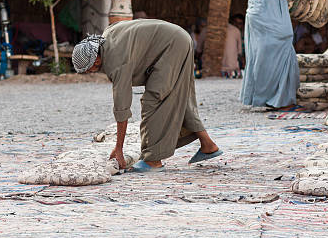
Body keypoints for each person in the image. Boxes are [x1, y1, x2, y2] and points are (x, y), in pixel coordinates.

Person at [72, 19, 223, 172]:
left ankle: (153, 160)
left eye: (89, 69)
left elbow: (122, 107)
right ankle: (208, 145)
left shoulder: (116, 61)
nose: (90, 72)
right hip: (178, 38)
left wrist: (119, 149)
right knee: (179, 96)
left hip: (173, 46)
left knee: (153, 101)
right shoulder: (106, 38)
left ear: (96, 59)